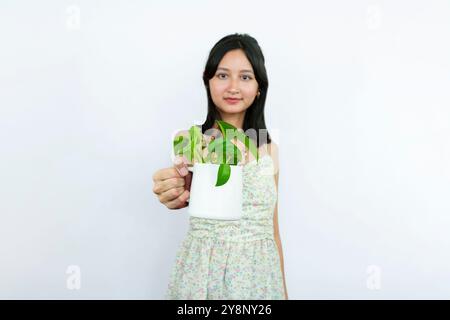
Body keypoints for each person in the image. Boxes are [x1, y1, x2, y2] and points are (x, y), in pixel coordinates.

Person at [152, 33, 288, 299]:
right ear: (208, 80)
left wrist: (283, 293)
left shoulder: (269, 149)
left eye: (246, 77)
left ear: (259, 86)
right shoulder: (191, 141)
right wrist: (172, 188)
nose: (233, 87)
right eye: (223, 75)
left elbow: (272, 229)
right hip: (202, 274)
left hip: (258, 276)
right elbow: (179, 188)